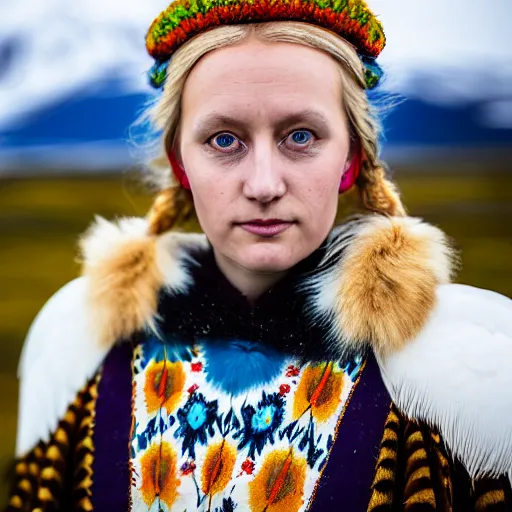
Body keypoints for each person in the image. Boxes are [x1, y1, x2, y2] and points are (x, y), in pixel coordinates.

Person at [6, 1, 512, 511]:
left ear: (350, 161)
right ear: (181, 165)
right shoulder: (86, 339)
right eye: (224, 140)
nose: (264, 184)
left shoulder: (456, 360)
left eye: (301, 136)